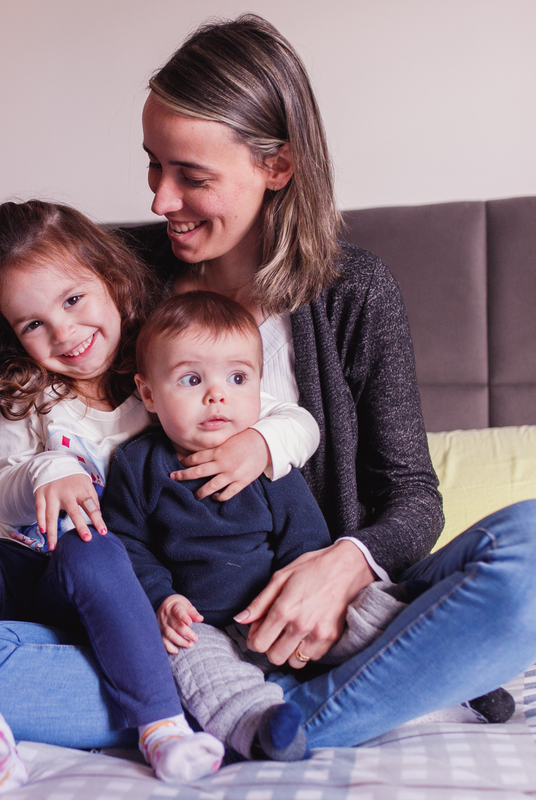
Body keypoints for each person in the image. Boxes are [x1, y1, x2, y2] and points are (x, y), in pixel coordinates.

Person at [0, 13, 536, 750]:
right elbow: (19, 331)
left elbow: (412, 498)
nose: (160, 200)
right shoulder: (116, 276)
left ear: (276, 166)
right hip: (172, 635)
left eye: (192, 176)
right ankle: (339, 697)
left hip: (331, 621)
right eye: (153, 165)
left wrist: (344, 565)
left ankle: (275, 716)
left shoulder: (354, 292)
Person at [0, 200, 324, 795]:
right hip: (21, 564)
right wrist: (47, 470)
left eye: (73, 300)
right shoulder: (30, 394)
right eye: (33, 324)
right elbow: (3, 492)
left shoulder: (171, 371)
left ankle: (162, 728)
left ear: (112, 280)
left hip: (104, 581)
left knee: (93, 548)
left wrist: (260, 443)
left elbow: (293, 420)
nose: (63, 333)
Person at [108, 290, 420, 761]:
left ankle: (450, 678)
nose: (217, 395)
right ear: (148, 393)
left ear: (259, 386)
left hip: (280, 606)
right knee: (190, 663)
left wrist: (299, 602)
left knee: (365, 612)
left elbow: (305, 542)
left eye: (237, 378)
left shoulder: (266, 465)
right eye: (191, 379)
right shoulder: (137, 466)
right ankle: (262, 724)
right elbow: (127, 545)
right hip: (202, 624)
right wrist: (160, 600)